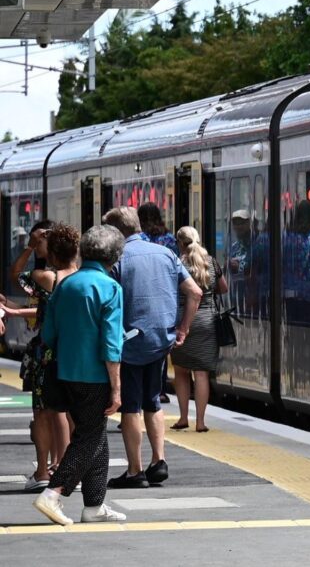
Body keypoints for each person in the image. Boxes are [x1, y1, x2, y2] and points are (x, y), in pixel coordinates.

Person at [101, 207, 202, 489]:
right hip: (161, 341)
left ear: (117, 233)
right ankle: (159, 460)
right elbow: (195, 292)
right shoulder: (166, 253)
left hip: (130, 342)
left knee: (131, 407)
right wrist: (183, 328)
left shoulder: (118, 260)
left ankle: (135, 470)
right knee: (153, 400)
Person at [33, 225, 126, 525]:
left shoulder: (65, 285)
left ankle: (94, 505)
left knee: (96, 434)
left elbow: (48, 334)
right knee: (89, 436)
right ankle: (53, 492)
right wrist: (116, 387)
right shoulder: (110, 288)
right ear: (114, 257)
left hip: (65, 372)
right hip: (94, 376)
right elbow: (112, 344)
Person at [2, 221, 74, 491]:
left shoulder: (44, 277)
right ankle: (65, 467)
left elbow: (15, 273)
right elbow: (44, 310)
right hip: (71, 350)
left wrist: (30, 246)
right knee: (67, 412)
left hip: (45, 352)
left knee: (44, 412)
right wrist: (17, 312)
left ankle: (45, 470)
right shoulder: (78, 275)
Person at [170, 226, 227, 432]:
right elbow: (224, 288)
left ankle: (183, 417)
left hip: (184, 321)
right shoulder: (211, 262)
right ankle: (201, 422)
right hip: (207, 322)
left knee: (181, 372)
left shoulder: (178, 264)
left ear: (179, 243)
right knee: (201, 374)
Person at [137, 202, 177, 403]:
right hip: (165, 293)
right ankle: (159, 388)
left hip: (143, 293)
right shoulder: (169, 238)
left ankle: (143, 389)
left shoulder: (140, 239)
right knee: (161, 348)